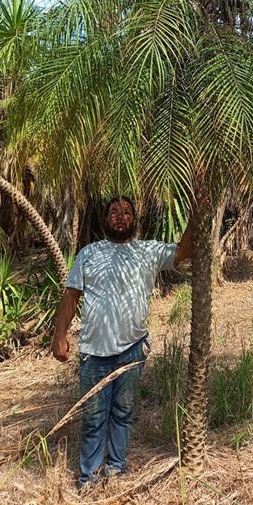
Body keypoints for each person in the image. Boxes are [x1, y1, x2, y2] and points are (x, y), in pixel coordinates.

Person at [51, 196, 192, 489]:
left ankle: (116, 467)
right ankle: (88, 477)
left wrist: (199, 210)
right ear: (105, 220)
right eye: (114, 211)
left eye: (126, 211)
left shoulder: (147, 252)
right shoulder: (89, 254)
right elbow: (71, 296)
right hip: (93, 353)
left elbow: (185, 250)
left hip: (132, 350)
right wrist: (59, 334)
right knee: (93, 417)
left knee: (123, 412)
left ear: (134, 220)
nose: (120, 215)